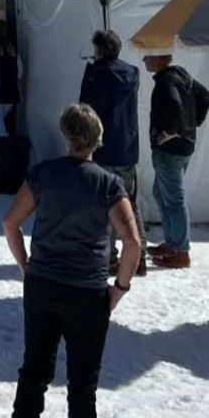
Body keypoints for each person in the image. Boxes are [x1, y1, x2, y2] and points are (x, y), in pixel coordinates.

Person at [3, 103, 142, 418]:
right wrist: (120, 287)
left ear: (64, 135)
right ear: (98, 138)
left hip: (43, 285)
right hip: (87, 293)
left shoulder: (42, 174)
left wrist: (26, 266)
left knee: (34, 371)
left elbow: (10, 223)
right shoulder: (109, 184)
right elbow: (133, 242)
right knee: (82, 384)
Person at [78, 29, 146, 275]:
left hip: (103, 149)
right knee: (130, 204)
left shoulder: (95, 75)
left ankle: (109, 258)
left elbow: (83, 110)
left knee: (104, 206)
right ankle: (139, 256)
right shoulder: (132, 73)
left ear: (99, 50)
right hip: (127, 148)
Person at [143, 51, 209, 269]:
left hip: (169, 151)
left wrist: (172, 130)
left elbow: (174, 103)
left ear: (158, 57)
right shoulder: (182, 74)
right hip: (184, 147)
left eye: (147, 55)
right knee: (160, 193)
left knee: (173, 198)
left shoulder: (166, 80)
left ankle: (181, 251)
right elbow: (205, 96)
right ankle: (173, 242)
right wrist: (193, 124)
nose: (144, 60)